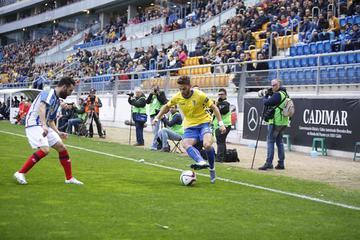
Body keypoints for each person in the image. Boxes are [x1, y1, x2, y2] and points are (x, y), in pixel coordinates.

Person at [153, 76, 226, 183]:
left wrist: (221, 124)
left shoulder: (199, 95)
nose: (182, 91)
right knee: (185, 143)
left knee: (207, 145)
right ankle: (201, 161)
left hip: (204, 123)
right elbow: (166, 106)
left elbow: (214, 107)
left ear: (190, 86)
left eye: (184, 89)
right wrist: (156, 117)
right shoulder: (178, 97)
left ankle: (212, 168)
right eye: (180, 89)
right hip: (190, 126)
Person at [14, 77, 83, 185]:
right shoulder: (49, 93)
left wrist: (58, 132)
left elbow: (51, 120)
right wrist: (44, 125)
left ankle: (69, 178)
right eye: (70, 90)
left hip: (43, 124)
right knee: (45, 149)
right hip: (34, 123)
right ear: (64, 87)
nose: (70, 93)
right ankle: (20, 173)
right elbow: (42, 107)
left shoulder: (56, 99)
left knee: (62, 147)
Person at [258, 79, 289, 171]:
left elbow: (266, 102)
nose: (273, 87)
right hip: (283, 122)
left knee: (270, 141)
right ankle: (281, 163)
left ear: (279, 85)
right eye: (272, 85)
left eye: (275, 85)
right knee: (279, 142)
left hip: (275, 122)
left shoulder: (278, 94)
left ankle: (269, 163)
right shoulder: (285, 94)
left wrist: (265, 96)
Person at [146, 85, 168, 150]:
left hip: (158, 114)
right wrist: (151, 94)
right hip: (152, 114)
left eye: (155, 89)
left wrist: (158, 94)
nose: (154, 90)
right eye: (153, 89)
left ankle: (154, 146)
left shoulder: (161, 93)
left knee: (156, 131)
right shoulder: (151, 95)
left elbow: (163, 101)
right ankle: (160, 144)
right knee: (154, 131)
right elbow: (147, 102)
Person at [213, 89, 232, 162]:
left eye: (222, 94)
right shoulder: (219, 103)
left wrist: (215, 106)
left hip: (224, 125)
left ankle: (219, 158)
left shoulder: (225, 103)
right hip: (220, 125)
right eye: (219, 94)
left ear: (225, 95)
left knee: (220, 141)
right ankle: (223, 157)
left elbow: (221, 111)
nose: (220, 96)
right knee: (222, 141)